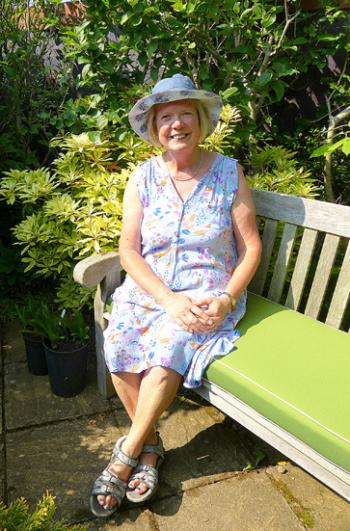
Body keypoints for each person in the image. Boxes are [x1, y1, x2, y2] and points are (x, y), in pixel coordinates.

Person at [89, 73, 262, 517]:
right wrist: (165, 298)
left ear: (201, 121)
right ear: (155, 128)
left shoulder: (228, 172)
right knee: (119, 341)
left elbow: (250, 247)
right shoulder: (143, 177)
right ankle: (150, 448)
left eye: (187, 114)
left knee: (168, 347)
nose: (177, 124)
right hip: (155, 291)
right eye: (167, 117)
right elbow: (129, 249)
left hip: (208, 294)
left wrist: (225, 297)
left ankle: (126, 456)